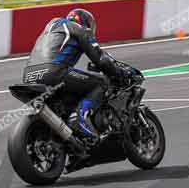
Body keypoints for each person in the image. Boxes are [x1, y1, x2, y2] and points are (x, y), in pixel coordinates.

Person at [22, 8, 128, 142]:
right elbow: (100, 60)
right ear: (85, 23)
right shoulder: (79, 29)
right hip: (54, 72)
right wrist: (118, 73)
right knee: (101, 83)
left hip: (28, 75)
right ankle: (81, 119)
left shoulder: (50, 29)